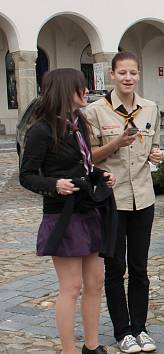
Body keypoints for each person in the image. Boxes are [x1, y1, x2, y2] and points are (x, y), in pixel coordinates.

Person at [19, 68, 116, 354]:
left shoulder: (79, 123)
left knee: (95, 283)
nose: (87, 92)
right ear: (65, 91)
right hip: (63, 216)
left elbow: (83, 166)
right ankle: (68, 351)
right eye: (81, 87)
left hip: (89, 211)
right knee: (71, 287)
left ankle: (92, 346)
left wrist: (100, 174)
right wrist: (55, 184)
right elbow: (26, 175)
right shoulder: (41, 130)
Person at [86, 51, 162, 353]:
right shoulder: (96, 112)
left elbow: (154, 146)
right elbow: (89, 157)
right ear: (112, 75)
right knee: (115, 268)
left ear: (138, 74)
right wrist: (116, 143)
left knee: (140, 267)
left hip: (143, 197)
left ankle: (141, 328)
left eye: (133, 73)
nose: (128, 78)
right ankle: (123, 331)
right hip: (112, 201)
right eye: (122, 73)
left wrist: (156, 155)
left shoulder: (150, 108)